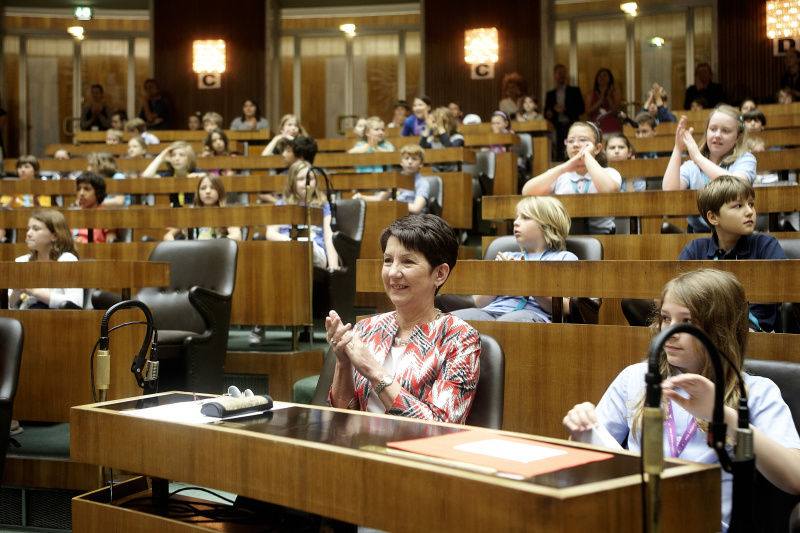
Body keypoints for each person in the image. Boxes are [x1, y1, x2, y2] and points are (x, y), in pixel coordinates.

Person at [563, 268, 800, 532]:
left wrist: (726, 417)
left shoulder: (756, 392)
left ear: (720, 328)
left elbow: (794, 478)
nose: (671, 332)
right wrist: (580, 427)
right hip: (633, 516)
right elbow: (586, 456)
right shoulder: (636, 378)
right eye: (665, 318)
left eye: (686, 322)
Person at [325, 214, 480, 423]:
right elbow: (339, 417)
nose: (393, 273)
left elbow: (440, 427)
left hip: (412, 453)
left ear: (440, 274)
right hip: (359, 447)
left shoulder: (459, 338)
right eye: (388, 261)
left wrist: (374, 371)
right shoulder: (367, 328)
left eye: (407, 262)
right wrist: (343, 364)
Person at [249, 161, 341, 347]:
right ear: (292, 182)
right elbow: (271, 233)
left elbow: (328, 234)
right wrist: (291, 245)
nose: (306, 183)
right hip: (286, 253)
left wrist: (333, 263)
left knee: (304, 245)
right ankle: (261, 322)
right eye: (300, 179)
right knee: (267, 262)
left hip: (315, 252)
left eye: (310, 178)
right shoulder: (283, 204)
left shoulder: (323, 205)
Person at [678, 176, 786, 332]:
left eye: (751, 204)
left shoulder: (766, 245)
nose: (749, 212)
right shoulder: (695, 249)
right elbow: (676, 294)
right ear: (713, 217)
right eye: (738, 206)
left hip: (755, 334)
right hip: (704, 329)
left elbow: (781, 293)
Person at [452, 196, 577, 323]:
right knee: (446, 322)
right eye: (517, 217)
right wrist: (500, 276)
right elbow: (479, 303)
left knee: (509, 323)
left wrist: (526, 280)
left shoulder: (563, 258)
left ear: (548, 225)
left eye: (525, 217)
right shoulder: (505, 257)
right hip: (491, 312)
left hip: (533, 317)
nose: (516, 222)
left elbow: (567, 309)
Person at [662, 104, 755, 233]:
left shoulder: (745, 159)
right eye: (713, 129)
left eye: (725, 131)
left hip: (735, 236)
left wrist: (698, 158)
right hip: (698, 238)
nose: (717, 135)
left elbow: (737, 186)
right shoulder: (691, 166)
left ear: (738, 136)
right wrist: (678, 148)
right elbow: (669, 192)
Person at [522, 121, 622, 234]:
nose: (575, 144)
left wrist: (587, 156)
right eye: (570, 141)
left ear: (597, 148)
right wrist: (564, 167)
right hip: (565, 241)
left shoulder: (609, 172)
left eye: (583, 140)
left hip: (605, 239)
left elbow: (609, 191)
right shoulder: (560, 174)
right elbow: (527, 191)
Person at [8, 209, 82, 310]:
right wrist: (15, 293)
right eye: (28, 228)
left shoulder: (67, 260)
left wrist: (34, 291)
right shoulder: (21, 261)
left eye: (36, 229)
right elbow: (9, 306)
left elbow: (76, 303)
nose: (28, 234)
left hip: (56, 320)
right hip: (24, 317)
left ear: (54, 236)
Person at [353, 144, 430, 215]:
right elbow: (379, 198)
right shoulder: (395, 179)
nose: (409, 162)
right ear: (401, 162)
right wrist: (361, 197)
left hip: (413, 222)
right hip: (394, 217)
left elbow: (416, 208)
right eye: (406, 158)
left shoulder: (422, 183)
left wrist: (394, 203)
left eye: (414, 159)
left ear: (421, 164)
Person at [163, 174, 242, 242]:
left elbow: (236, 236)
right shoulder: (190, 212)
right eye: (203, 188)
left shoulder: (227, 213)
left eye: (213, 188)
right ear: (198, 192)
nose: (208, 191)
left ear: (220, 191)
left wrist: (215, 243)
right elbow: (167, 236)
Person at [545, 64, 585, 161]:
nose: (562, 75)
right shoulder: (550, 94)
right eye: (559, 73)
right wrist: (552, 112)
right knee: (558, 153)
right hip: (556, 127)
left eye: (564, 73)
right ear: (555, 75)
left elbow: (581, 109)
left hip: (572, 124)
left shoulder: (574, 91)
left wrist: (565, 109)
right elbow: (546, 113)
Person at [142, 141, 201, 207]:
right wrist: (161, 157)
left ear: (190, 158)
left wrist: (203, 176)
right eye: (173, 155)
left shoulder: (197, 173)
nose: (177, 158)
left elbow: (211, 177)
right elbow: (146, 177)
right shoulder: (167, 175)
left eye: (181, 155)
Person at [73, 172, 118, 243]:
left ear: (98, 193)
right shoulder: (72, 215)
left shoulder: (107, 216)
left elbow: (111, 245)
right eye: (79, 189)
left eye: (87, 189)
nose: (81, 193)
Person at [419, 106, 464, 172]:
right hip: (434, 175)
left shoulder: (457, 138)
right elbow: (420, 152)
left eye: (437, 122)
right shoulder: (431, 140)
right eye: (433, 122)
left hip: (453, 175)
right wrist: (427, 129)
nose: (434, 126)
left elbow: (451, 152)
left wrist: (441, 129)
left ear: (447, 123)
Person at [585, 67, 621, 134]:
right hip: (596, 126)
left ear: (609, 78)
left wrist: (608, 96)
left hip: (612, 126)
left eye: (604, 75)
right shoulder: (590, 94)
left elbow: (615, 111)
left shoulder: (615, 92)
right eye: (600, 76)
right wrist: (600, 101)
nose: (602, 78)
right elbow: (588, 112)